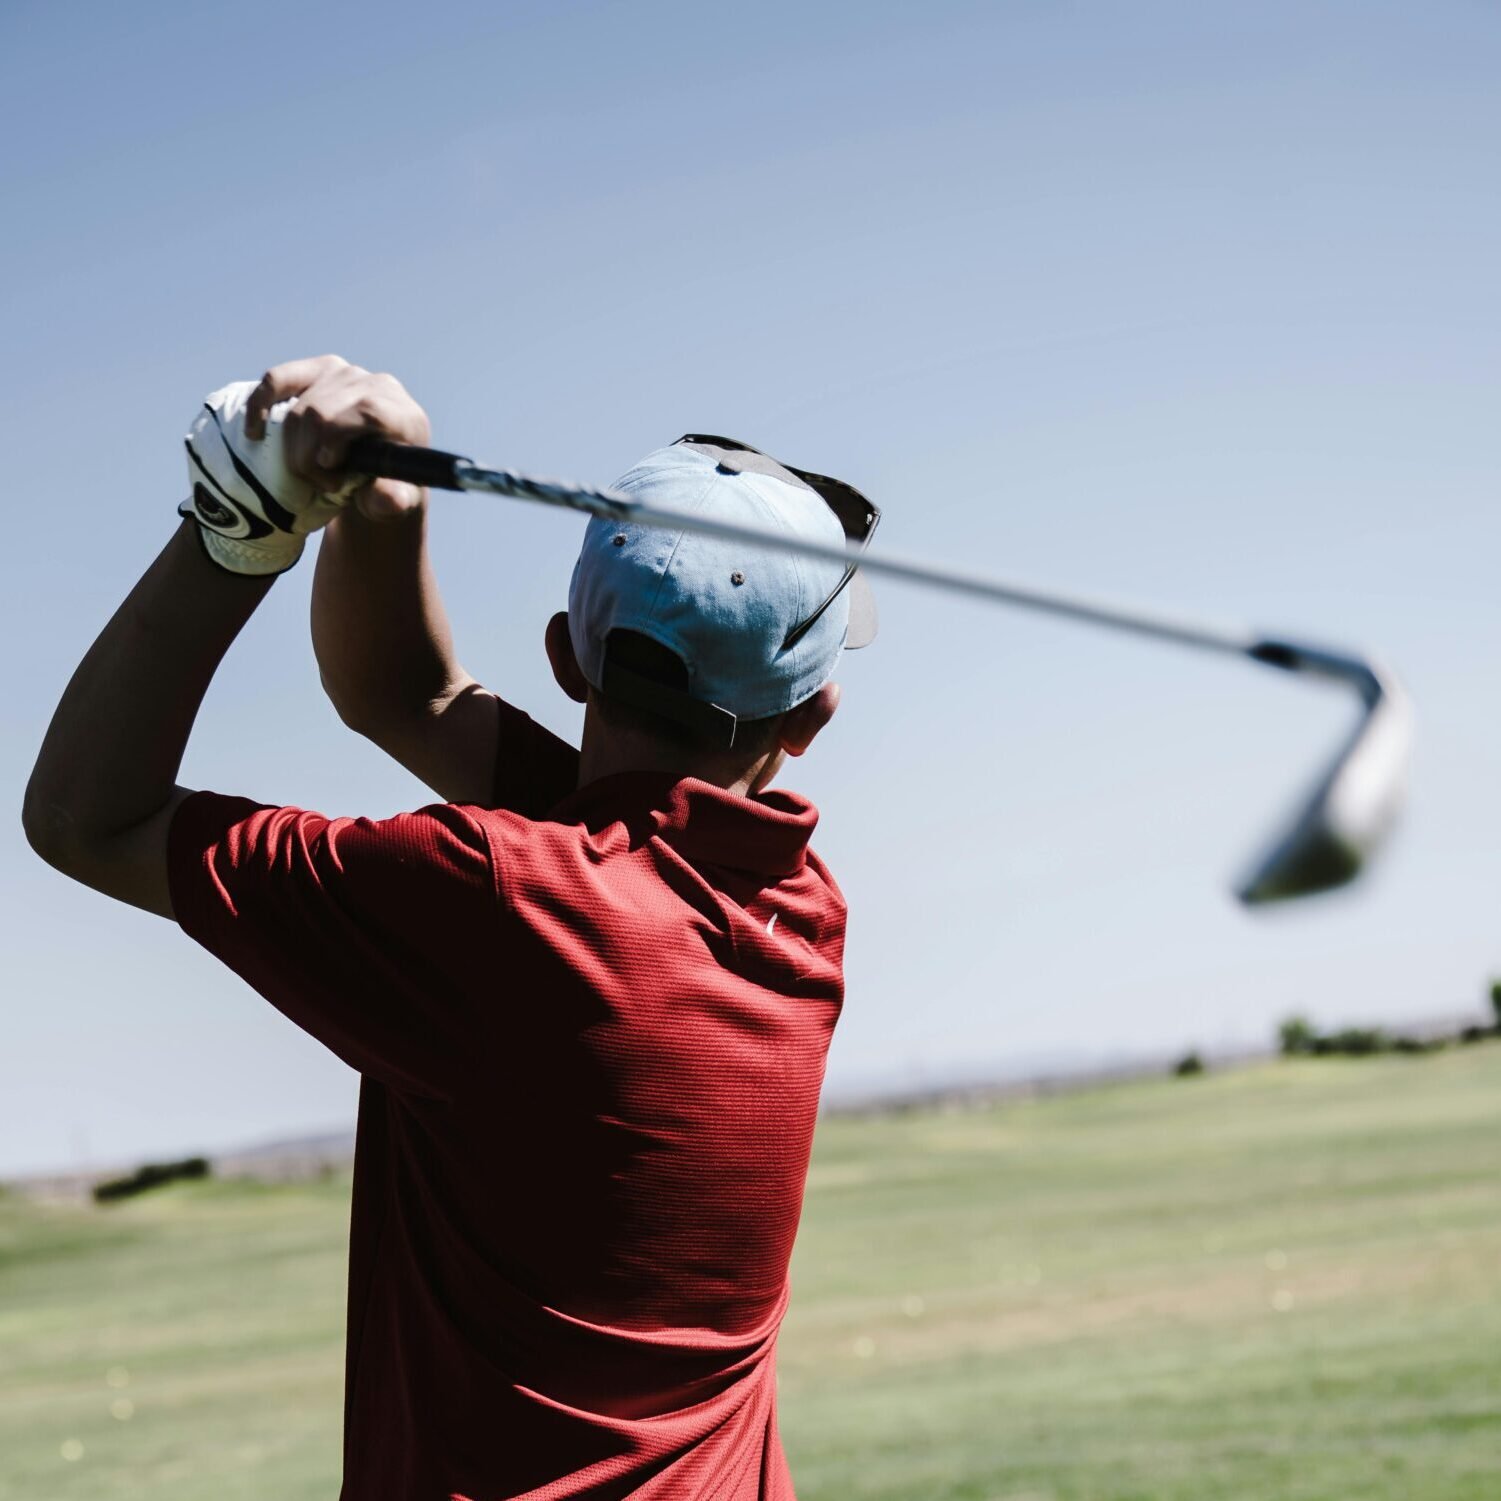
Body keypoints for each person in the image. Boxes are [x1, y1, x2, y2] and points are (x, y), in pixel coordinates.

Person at [23, 355, 878, 1501]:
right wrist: (383, 495)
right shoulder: (793, 907)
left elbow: (87, 815)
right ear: (813, 716)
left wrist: (241, 526)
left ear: (567, 657)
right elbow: (405, 693)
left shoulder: (499, 898)